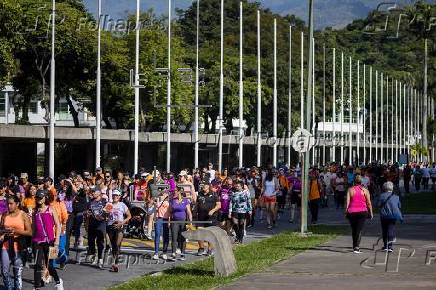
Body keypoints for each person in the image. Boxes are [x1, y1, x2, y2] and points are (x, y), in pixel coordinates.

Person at [32, 190, 63, 290]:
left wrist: (57, 241)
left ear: (45, 198)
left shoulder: (50, 209)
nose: (39, 200)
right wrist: (30, 241)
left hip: (51, 241)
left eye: (41, 197)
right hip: (38, 241)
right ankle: (37, 286)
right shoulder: (35, 212)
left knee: (49, 265)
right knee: (37, 264)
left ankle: (58, 282)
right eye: (37, 197)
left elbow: (58, 225)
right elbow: (34, 228)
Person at [0, 195, 32, 290]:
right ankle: (9, 288)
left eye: (11, 204)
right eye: (8, 204)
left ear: (17, 204)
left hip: (18, 246)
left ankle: (17, 288)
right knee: (4, 271)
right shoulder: (4, 214)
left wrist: (16, 231)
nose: (9, 206)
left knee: (17, 272)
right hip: (5, 246)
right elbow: (1, 229)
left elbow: (30, 232)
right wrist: (3, 233)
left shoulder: (23, 215)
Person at [345, 175, 373, 254]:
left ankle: (355, 246)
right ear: (361, 182)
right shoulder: (365, 190)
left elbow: (347, 202)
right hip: (362, 212)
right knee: (359, 229)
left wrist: (345, 211)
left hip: (352, 212)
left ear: (354, 181)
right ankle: (356, 247)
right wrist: (371, 212)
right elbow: (369, 203)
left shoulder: (350, 190)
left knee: (354, 229)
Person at [106, 189, 131, 272]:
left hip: (119, 226)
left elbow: (129, 216)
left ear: (119, 196)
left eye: (117, 195)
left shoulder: (122, 205)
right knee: (113, 245)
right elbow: (104, 215)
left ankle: (115, 264)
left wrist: (122, 222)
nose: (115, 197)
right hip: (110, 226)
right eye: (113, 195)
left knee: (117, 244)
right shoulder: (109, 204)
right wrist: (105, 214)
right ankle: (114, 262)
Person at [376, 182, 403, 252]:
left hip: (384, 215)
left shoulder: (381, 196)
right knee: (391, 229)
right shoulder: (396, 197)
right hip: (393, 215)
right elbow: (399, 206)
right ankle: (390, 246)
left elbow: (378, 204)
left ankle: (385, 246)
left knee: (384, 230)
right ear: (392, 188)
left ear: (384, 188)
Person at [85, 189, 108, 268]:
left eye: (94, 192)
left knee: (100, 241)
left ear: (99, 193)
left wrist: (106, 214)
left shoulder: (104, 201)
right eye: (92, 192)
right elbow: (87, 213)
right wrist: (87, 216)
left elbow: (109, 210)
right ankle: (94, 254)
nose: (93, 193)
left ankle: (100, 258)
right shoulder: (90, 202)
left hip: (101, 223)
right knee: (91, 241)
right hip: (92, 223)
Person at [196, 183, 220, 255]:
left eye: (205, 185)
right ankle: (201, 248)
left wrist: (213, 210)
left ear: (208, 187)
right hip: (201, 217)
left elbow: (219, 205)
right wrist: (194, 212)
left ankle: (210, 249)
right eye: (202, 185)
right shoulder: (199, 194)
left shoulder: (214, 194)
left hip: (211, 217)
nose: (203, 187)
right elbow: (197, 204)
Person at [169, 189, 192, 261]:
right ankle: (173, 253)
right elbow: (170, 212)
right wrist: (169, 221)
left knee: (183, 238)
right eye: (173, 192)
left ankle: (183, 253)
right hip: (174, 221)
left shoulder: (185, 201)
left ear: (179, 192)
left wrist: (190, 223)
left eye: (175, 192)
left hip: (183, 221)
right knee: (174, 237)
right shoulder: (172, 200)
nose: (174, 193)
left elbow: (189, 212)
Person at [152, 187, 170, 261]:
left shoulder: (169, 198)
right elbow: (154, 208)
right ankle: (156, 253)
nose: (163, 190)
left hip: (166, 219)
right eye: (162, 189)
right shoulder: (157, 198)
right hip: (158, 218)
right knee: (157, 234)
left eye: (164, 189)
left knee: (166, 236)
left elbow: (170, 211)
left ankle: (164, 252)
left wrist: (169, 220)